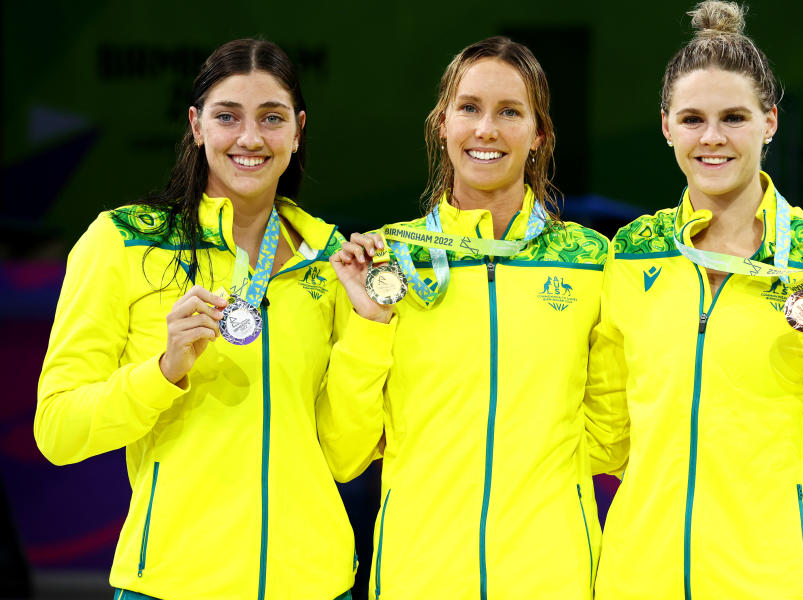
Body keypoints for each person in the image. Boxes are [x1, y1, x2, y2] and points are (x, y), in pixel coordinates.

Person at [35, 38, 381, 599]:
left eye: (272, 118)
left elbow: (345, 456)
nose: (250, 138)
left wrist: (370, 327)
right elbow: (57, 431)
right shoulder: (122, 243)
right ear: (196, 126)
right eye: (228, 117)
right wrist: (163, 372)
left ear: (298, 131)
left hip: (316, 585)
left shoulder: (331, 261)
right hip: (173, 584)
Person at [589, 1, 803, 599]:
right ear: (665, 127)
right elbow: (604, 431)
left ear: (770, 122)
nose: (712, 138)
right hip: (641, 580)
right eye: (692, 119)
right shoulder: (633, 252)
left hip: (784, 582)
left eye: (734, 117)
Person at [324, 36, 615, 599]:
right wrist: (369, 324)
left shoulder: (589, 261)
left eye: (510, 112)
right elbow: (343, 450)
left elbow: (612, 430)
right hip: (419, 576)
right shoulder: (385, 261)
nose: (487, 129)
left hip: (554, 577)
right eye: (469, 107)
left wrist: (545, 476)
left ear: (539, 134)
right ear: (442, 125)